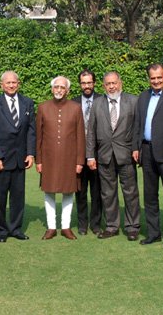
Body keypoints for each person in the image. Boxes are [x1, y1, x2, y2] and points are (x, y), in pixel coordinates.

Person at [86, 71, 141, 241]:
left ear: (120, 83)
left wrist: (136, 148)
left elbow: (138, 128)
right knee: (108, 194)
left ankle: (132, 227)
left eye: (114, 83)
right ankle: (111, 226)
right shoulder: (97, 104)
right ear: (103, 86)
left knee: (130, 192)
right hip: (104, 156)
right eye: (108, 84)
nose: (111, 86)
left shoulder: (133, 101)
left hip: (126, 155)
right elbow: (91, 132)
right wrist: (90, 156)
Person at [133, 63, 163, 249]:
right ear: (149, 79)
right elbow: (138, 123)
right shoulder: (144, 96)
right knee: (150, 196)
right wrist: (136, 146)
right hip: (146, 152)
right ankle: (154, 234)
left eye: (159, 77)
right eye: (153, 78)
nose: (156, 81)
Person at [0, 71, 36, 242]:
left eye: (14, 82)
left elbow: (31, 130)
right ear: (1, 85)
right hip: (2, 159)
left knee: (18, 197)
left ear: (18, 83)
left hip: (20, 159)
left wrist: (30, 153)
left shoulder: (27, 103)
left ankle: (15, 229)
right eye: (7, 83)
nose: (11, 85)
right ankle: (0, 231)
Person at [36, 76, 85, 240]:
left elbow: (80, 137)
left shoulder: (76, 108)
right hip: (48, 159)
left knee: (68, 192)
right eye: (56, 87)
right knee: (49, 192)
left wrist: (79, 161)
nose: (58, 90)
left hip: (69, 158)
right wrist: (39, 160)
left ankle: (65, 227)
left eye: (62, 87)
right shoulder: (43, 107)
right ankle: (51, 227)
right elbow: (39, 138)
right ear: (52, 89)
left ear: (68, 90)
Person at [72, 69, 103, 235]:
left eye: (89, 82)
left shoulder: (102, 100)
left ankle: (96, 224)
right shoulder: (73, 102)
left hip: (98, 153)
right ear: (80, 85)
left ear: (94, 83)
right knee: (80, 191)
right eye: (83, 83)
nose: (86, 86)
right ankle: (82, 224)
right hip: (79, 154)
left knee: (97, 191)